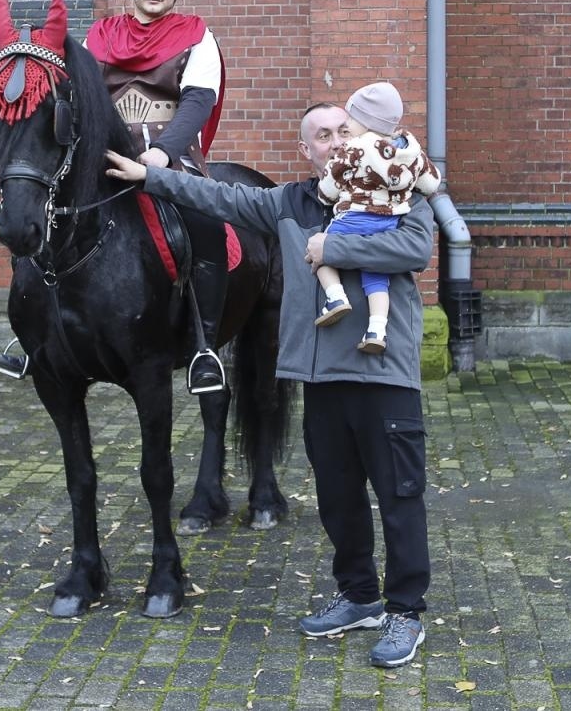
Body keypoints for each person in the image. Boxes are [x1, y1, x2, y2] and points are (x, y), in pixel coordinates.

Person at [104, 102, 437, 669]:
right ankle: (359, 596)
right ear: (305, 151)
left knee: (399, 496)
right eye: (321, 137)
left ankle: (405, 611)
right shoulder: (291, 202)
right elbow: (222, 199)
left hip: (383, 374)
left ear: (358, 135)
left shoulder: (396, 187)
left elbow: (416, 249)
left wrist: (335, 249)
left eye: (342, 131)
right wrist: (150, 176)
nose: (334, 142)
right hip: (319, 376)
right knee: (338, 497)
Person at [0, 0, 230, 395]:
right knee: (43, 218)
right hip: (104, 154)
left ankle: (205, 345)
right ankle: (30, 333)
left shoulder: (197, 36)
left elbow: (198, 101)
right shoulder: (102, 34)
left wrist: (163, 155)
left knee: (206, 228)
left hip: (169, 154)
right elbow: (83, 97)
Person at [314, 82, 441, 355]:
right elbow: (431, 184)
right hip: (389, 222)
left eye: (351, 118)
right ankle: (377, 330)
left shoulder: (356, 148)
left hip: (355, 216)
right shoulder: (412, 151)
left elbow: (331, 182)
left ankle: (335, 297)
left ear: (364, 121)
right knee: (376, 276)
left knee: (320, 250)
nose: (347, 125)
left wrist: (325, 197)